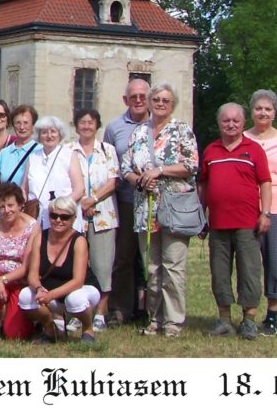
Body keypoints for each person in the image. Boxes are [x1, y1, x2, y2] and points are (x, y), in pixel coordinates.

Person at [120, 81, 199, 337]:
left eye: (165, 100)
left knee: (173, 267)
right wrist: (139, 179)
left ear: (172, 104)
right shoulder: (139, 133)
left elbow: (191, 164)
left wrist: (160, 171)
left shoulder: (181, 131)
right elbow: (126, 168)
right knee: (152, 267)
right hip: (146, 209)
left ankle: (173, 322)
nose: (160, 104)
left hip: (174, 207)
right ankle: (154, 319)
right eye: (157, 100)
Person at [200, 102, 271, 341]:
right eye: (226, 120)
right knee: (219, 273)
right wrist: (201, 214)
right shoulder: (210, 150)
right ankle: (224, 320)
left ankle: (249, 320)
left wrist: (266, 213)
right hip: (218, 223)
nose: (231, 124)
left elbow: (265, 183)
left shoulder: (254, 150)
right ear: (219, 123)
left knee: (249, 272)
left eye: (236, 121)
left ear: (243, 123)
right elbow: (203, 185)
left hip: (247, 223)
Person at [245, 88, 277, 336]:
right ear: (251, 112)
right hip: (247, 208)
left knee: (275, 263)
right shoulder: (243, 139)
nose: (262, 112)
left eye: (267, 109)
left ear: (274, 113)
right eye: (258, 108)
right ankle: (249, 316)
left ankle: (272, 317)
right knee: (249, 264)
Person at [19, 196, 100, 344]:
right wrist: (38, 289)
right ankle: (50, 328)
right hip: (49, 291)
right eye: (54, 215)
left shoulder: (79, 241)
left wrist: (51, 295)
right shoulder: (40, 237)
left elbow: (78, 281)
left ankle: (88, 328)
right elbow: (32, 274)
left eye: (64, 217)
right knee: (25, 296)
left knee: (75, 300)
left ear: (73, 219)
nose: (58, 220)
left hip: (81, 290)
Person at [104, 77, 151, 324]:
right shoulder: (114, 128)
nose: (139, 100)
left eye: (143, 96)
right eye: (134, 96)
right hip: (124, 200)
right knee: (123, 256)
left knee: (151, 257)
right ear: (126, 100)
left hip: (154, 201)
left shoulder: (159, 125)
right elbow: (109, 163)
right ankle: (120, 309)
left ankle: (152, 310)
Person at [70, 107, 119, 329]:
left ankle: (101, 312)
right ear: (76, 125)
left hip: (103, 214)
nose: (87, 126)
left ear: (97, 125)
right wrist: (83, 203)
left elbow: (112, 181)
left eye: (91, 122)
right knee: (76, 264)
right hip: (76, 215)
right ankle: (77, 310)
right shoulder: (69, 150)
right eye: (82, 122)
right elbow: (68, 180)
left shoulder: (107, 150)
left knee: (102, 264)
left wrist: (94, 199)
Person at [0, 182, 38, 341]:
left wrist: (2, 280)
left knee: (15, 335)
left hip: (20, 280)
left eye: (11, 205)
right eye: (1, 206)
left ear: (20, 204)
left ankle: (28, 321)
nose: (7, 210)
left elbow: (27, 266)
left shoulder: (33, 226)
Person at [23, 116, 82, 228]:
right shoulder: (32, 157)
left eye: (53, 132)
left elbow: (79, 189)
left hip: (63, 218)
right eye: (44, 132)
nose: (49, 136)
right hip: (37, 218)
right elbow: (24, 189)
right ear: (39, 136)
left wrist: (61, 207)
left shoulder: (69, 155)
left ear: (59, 134)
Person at [0, 104, 38, 186]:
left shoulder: (40, 151)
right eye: (18, 123)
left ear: (33, 125)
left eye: (26, 123)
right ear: (13, 125)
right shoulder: (4, 154)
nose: (22, 127)